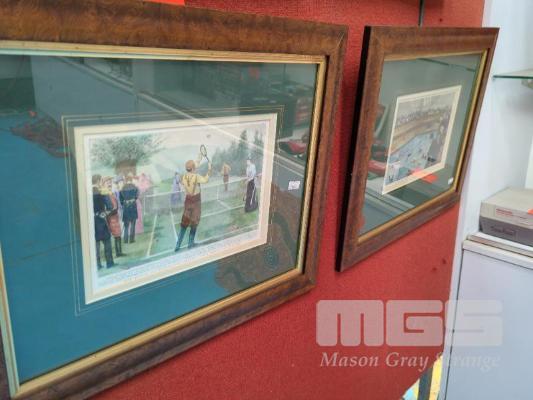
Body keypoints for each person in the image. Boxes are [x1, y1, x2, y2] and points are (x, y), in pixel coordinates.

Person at [175, 154, 211, 251]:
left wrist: (199, 158)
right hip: (196, 202)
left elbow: (193, 168)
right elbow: (206, 180)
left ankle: (177, 245)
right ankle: (190, 244)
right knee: (194, 223)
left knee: (184, 223)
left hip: (188, 201)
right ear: (193, 168)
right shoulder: (196, 176)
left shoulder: (184, 176)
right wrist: (209, 169)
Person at [92, 174, 114, 269]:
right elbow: (110, 206)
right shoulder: (102, 191)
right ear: (98, 181)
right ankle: (109, 262)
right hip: (101, 219)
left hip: (92, 221)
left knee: (95, 243)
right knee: (107, 240)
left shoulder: (86, 192)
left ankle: (97, 265)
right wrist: (104, 213)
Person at [102, 177, 124, 257]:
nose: (109, 183)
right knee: (116, 234)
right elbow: (106, 207)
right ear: (104, 184)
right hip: (111, 217)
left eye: (110, 182)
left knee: (118, 234)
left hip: (115, 216)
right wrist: (111, 211)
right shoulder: (104, 193)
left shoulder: (111, 192)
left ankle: (119, 252)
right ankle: (118, 253)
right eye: (107, 182)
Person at [120, 174, 139, 244]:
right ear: (131, 179)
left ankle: (125, 240)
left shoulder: (122, 188)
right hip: (133, 205)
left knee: (126, 225)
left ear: (126, 180)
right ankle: (131, 239)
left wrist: (124, 203)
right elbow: (136, 197)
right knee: (133, 224)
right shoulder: (135, 187)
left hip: (126, 206)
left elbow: (121, 199)